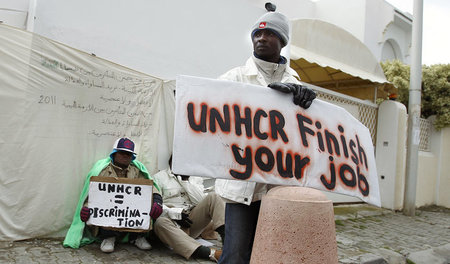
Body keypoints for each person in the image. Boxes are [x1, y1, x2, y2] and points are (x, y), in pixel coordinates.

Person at [215, 11, 316, 264]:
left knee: (269, 254)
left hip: (278, 185)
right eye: (257, 34)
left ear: (282, 41)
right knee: (235, 254)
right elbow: (211, 114)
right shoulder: (234, 77)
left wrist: (305, 106)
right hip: (242, 185)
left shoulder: (296, 83)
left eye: (269, 33)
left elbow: (305, 135)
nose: (261, 38)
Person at [63, 137, 163, 253]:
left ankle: (136, 237)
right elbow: (93, 196)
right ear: (114, 154)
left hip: (130, 212)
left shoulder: (136, 171)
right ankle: (108, 237)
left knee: (144, 205)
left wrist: (157, 199)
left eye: (129, 154)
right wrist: (86, 208)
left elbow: (149, 187)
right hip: (110, 213)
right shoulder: (103, 171)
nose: (125, 156)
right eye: (122, 153)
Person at [152, 156, 225, 262]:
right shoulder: (158, 177)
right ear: (171, 162)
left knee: (214, 197)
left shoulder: (195, 178)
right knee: (159, 223)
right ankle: (209, 253)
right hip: (172, 222)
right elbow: (157, 204)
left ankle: (227, 244)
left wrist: (185, 181)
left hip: (191, 220)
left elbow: (200, 201)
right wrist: (175, 214)